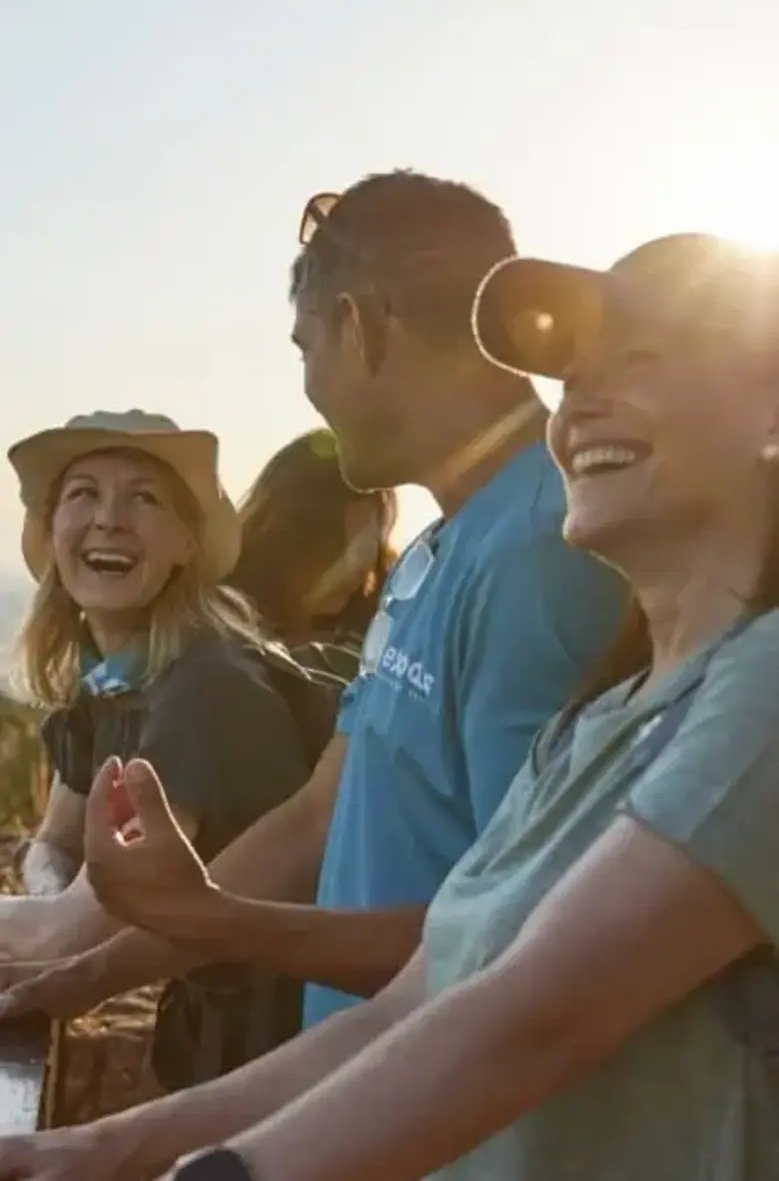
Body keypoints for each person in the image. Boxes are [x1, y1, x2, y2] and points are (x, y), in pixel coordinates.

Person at [5, 230, 779, 1181]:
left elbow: (529, 1016)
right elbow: (417, 1000)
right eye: (575, 376)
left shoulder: (760, 686)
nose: (580, 405)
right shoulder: (597, 717)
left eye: (644, 362)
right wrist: (96, 1147)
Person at [0, 171, 623, 1035]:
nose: (307, 387)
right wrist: (86, 977)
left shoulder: (544, 560)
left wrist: (224, 927)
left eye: (303, 348)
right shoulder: (438, 554)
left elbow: (529, 941)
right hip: (369, 1099)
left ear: (359, 325)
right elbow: (314, 822)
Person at [0, 410, 315, 1087]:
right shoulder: (109, 685)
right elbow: (55, 843)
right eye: (82, 493)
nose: (109, 518)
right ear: (51, 532)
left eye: (144, 498)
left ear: (185, 543)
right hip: (207, 1025)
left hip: (287, 1042)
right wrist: (56, 895)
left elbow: (77, 935)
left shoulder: (207, 690)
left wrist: (57, 911)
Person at [228, 428, 398, 681]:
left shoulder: (386, 629)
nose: (357, 565)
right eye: (336, 544)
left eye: (373, 539)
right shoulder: (221, 621)